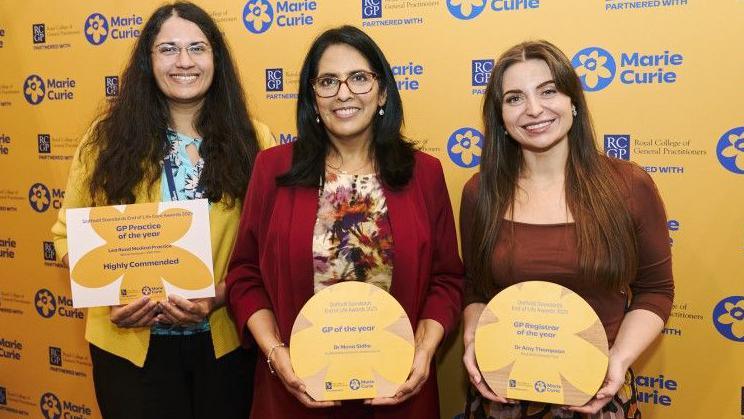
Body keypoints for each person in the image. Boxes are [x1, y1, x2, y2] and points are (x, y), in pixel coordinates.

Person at [225, 25, 464, 419]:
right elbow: (245, 276)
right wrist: (275, 354)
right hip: (295, 395)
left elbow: (447, 280)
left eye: (359, 78)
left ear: (383, 91)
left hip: (399, 395)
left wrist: (424, 352)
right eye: (327, 81)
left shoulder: (424, 173)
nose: (343, 93)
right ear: (311, 98)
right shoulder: (272, 169)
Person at [51, 2, 273, 418]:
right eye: (168, 49)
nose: (184, 61)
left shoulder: (254, 140)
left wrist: (219, 296)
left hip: (222, 345)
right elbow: (64, 237)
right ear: (148, 61)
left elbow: (268, 248)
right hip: (129, 348)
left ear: (216, 58)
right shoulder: (104, 142)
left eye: (198, 48)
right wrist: (113, 291)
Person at [460, 40, 674, 419]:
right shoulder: (481, 192)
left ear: (573, 100)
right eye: (514, 98)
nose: (534, 109)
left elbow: (655, 291)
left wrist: (618, 360)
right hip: (504, 397)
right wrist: (473, 338)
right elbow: (476, 289)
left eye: (548, 91)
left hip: (597, 393)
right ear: (501, 118)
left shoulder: (629, 186)